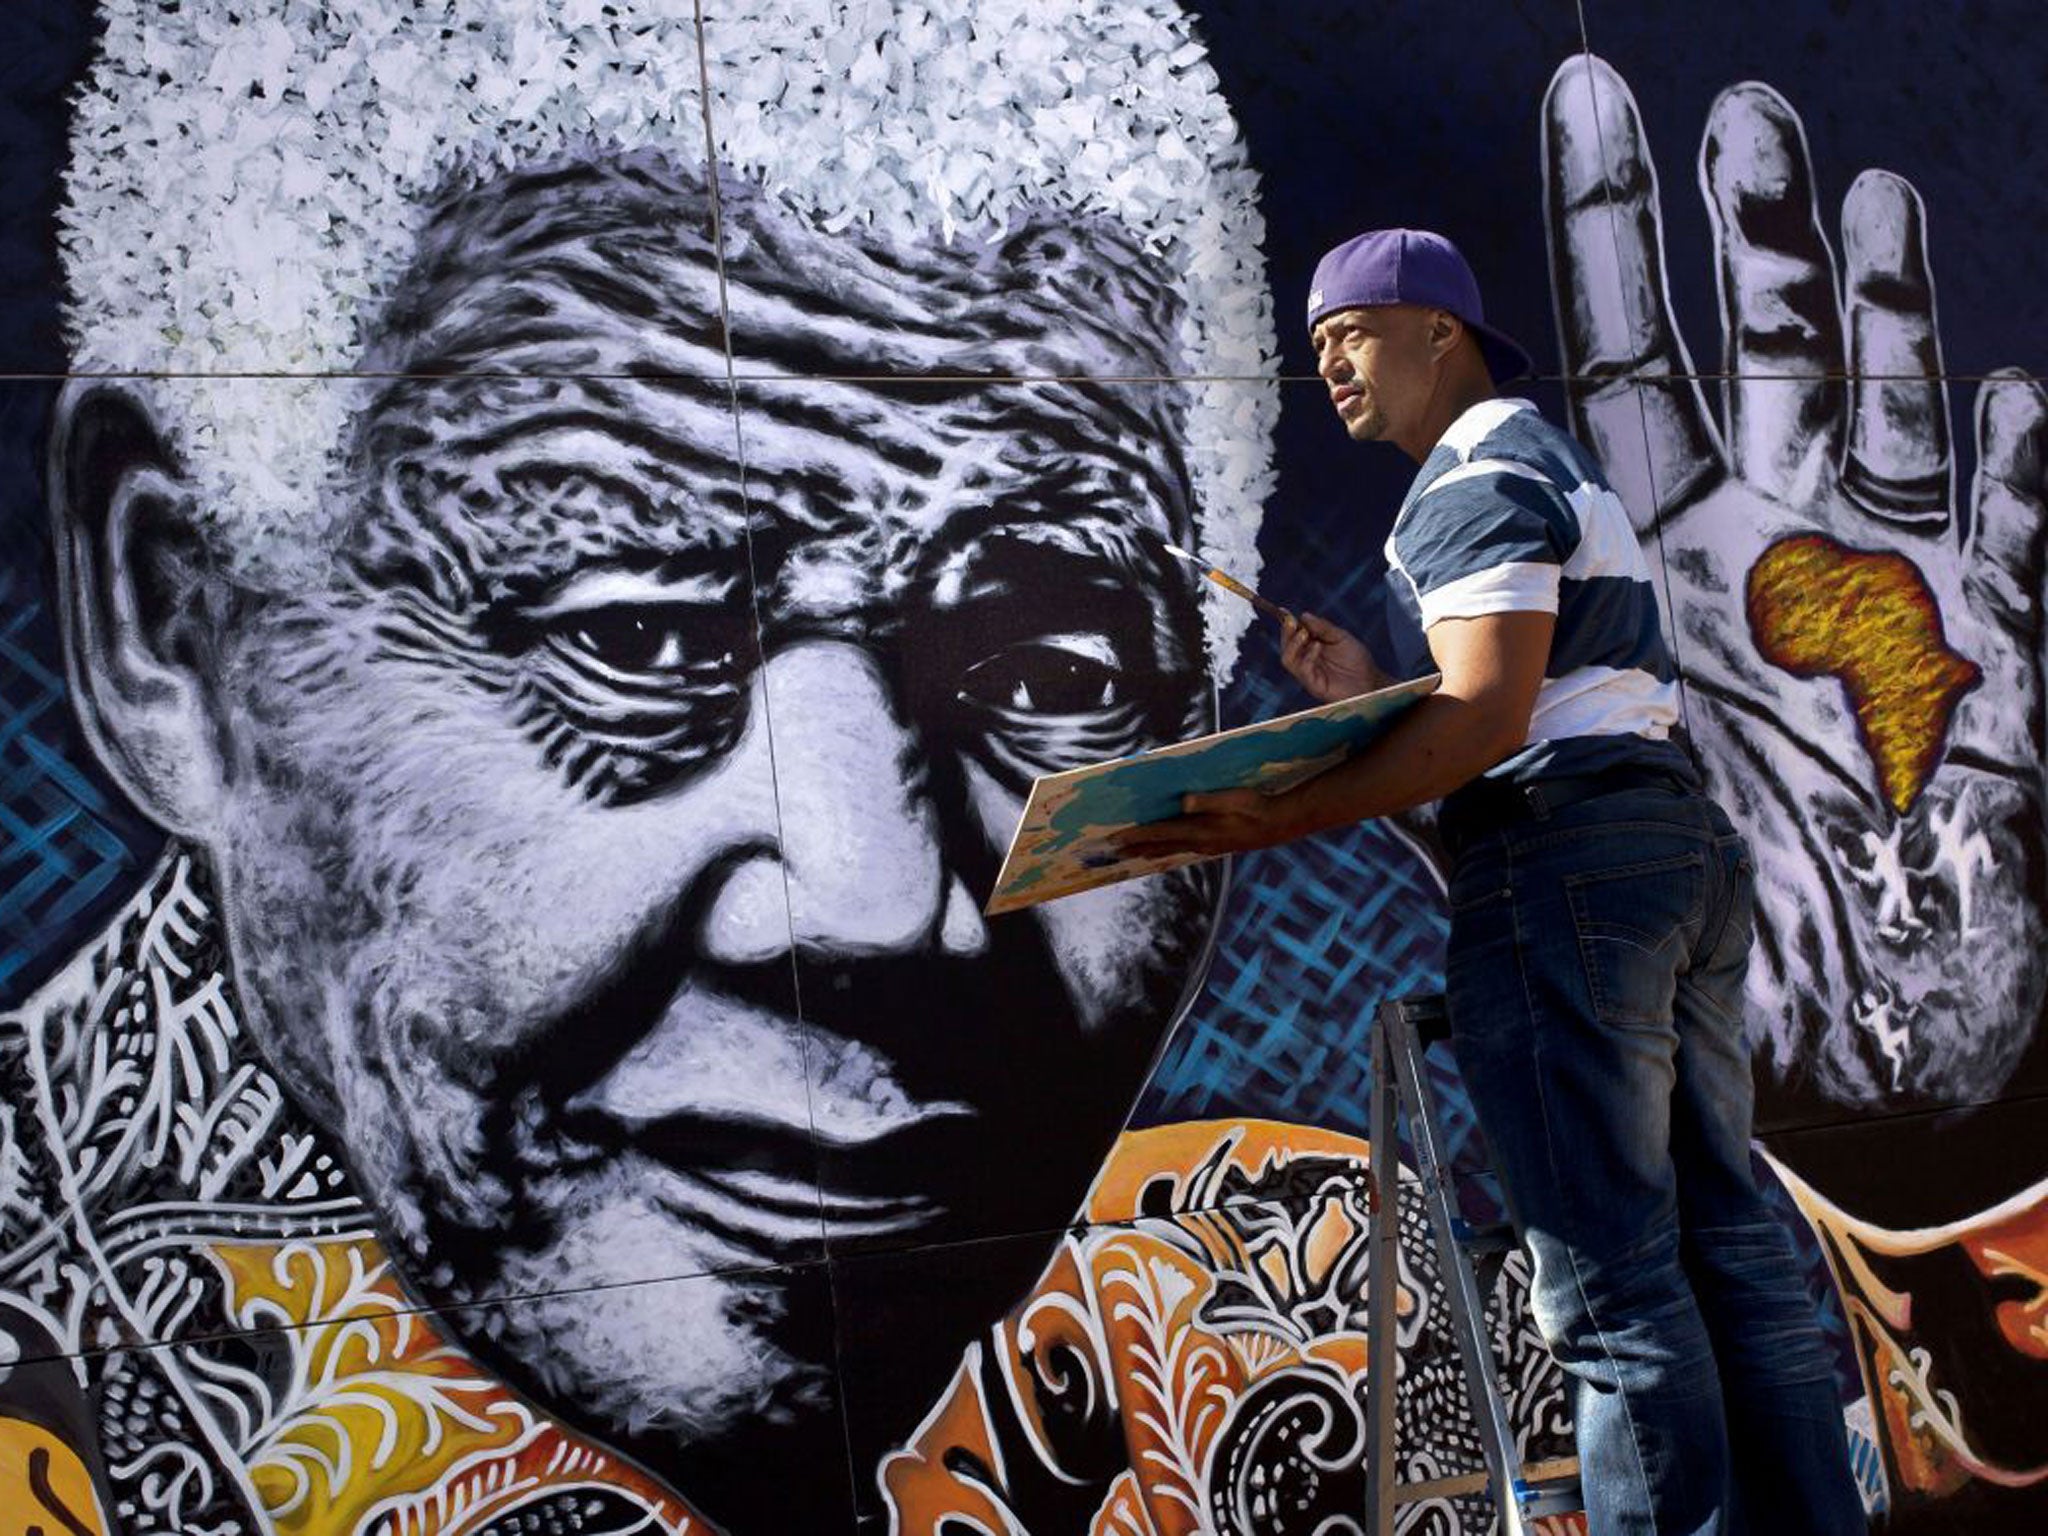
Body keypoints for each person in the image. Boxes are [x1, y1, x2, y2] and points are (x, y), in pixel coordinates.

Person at [0, 2, 1278, 1530]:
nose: (875, 904)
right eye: (641, 643)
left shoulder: (1297, 1313)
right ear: (173, 621)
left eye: (1057, 678)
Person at [1120, 227, 1870, 1533]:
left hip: (1567, 872)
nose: (1330, 364)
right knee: (1730, 1248)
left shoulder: (1469, 479)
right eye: (1315, 346)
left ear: (1438, 332)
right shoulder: (1544, 460)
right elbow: (1528, 704)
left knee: (1611, 1282)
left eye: (1352, 331)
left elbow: (1480, 720)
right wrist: (1371, 698)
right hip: (1665, 846)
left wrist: (1271, 809)